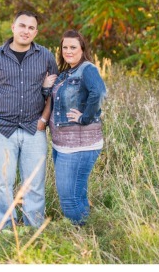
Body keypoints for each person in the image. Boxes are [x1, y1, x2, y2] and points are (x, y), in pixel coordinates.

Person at [0, 10, 59, 231]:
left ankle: (32, 231)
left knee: (34, 185)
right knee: (3, 184)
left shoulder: (46, 56)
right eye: (22, 26)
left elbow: (53, 92)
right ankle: (2, 232)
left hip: (34, 129)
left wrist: (43, 120)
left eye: (31, 28)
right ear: (13, 28)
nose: (26, 31)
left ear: (36, 32)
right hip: (2, 129)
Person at [48, 30, 107, 225]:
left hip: (79, 146)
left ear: (82, 48)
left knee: (69, 200)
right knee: (78, 195)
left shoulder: (87, 69)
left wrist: (85, 117)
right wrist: (45, 87)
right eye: (65, 47)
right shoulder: (65, 73)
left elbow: (98, 92)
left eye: (73, 47)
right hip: (62, 145)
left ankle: (80, 238)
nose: (68, 51)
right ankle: (88, 234)